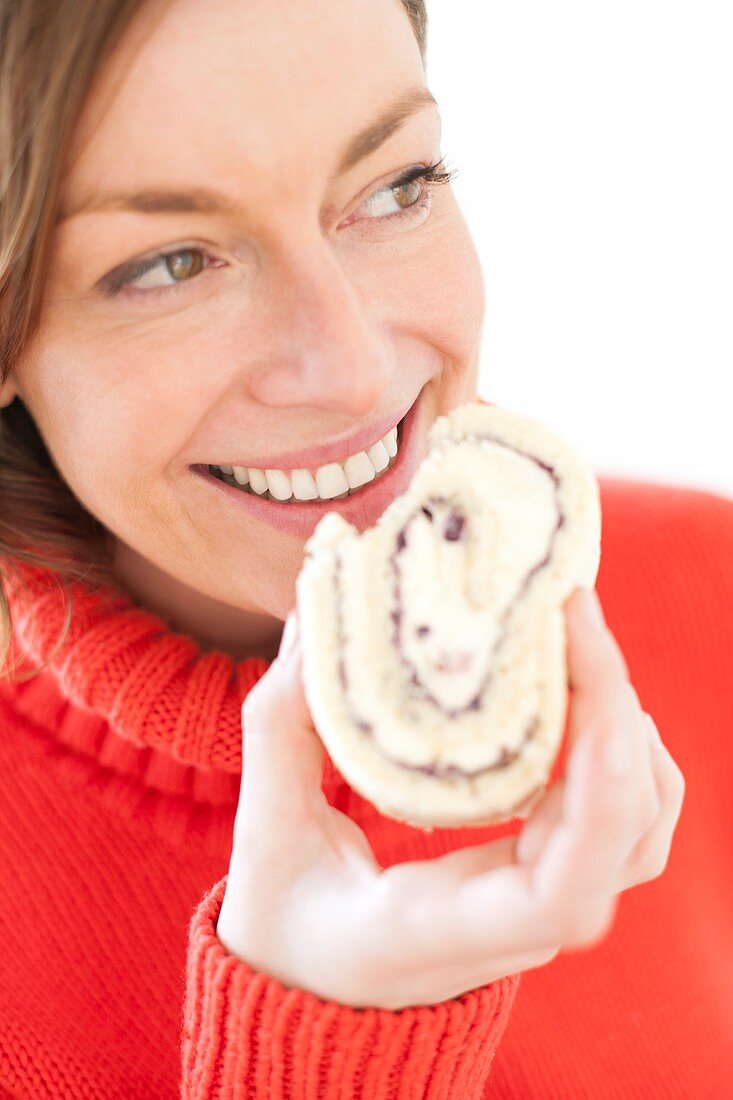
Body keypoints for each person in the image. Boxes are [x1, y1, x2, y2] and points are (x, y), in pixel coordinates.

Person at [0, 0, 728, 1096]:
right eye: (171, 262)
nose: (348, 364)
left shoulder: (706, 584)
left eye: (396, 186)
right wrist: (319, 1047)